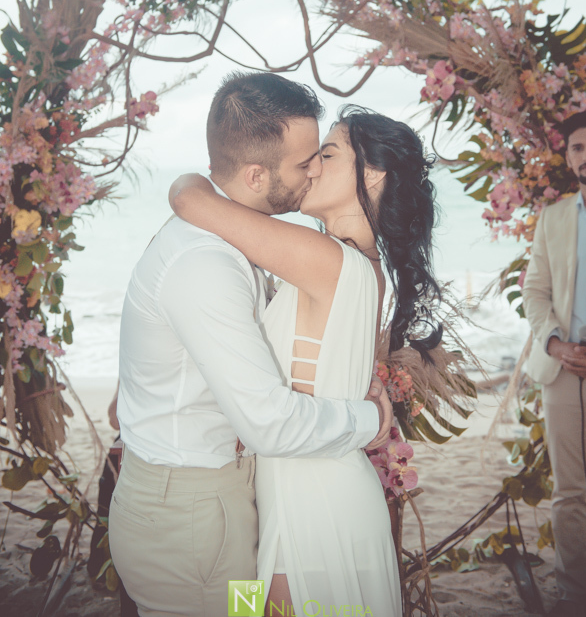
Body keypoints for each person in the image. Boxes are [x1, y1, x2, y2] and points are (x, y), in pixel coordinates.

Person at [108, 73, 392, 617]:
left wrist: (189, 190)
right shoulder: (207, 263)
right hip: (192, 519)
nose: (313, 171)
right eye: (307, 160)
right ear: (257, 174)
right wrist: (369, 420)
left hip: (227, 504)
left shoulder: (237, 238)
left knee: (250, 610)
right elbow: (267, 423)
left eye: (323, 156)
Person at [171, 104, 440, 617]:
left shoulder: (327, 260)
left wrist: (196, 171)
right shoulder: (357, 261)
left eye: (328, 154)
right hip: (310, 487)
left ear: (374, 174)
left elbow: (188, 198)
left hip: (311, 503)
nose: (311, 166)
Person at [523, 109, 586, 617]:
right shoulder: (552, 219)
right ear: (568, 157)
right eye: (578, 149)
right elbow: (535, 292)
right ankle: (578, 592)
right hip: (563, 372)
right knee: (569, 491)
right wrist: (554, 344)